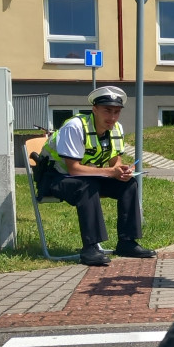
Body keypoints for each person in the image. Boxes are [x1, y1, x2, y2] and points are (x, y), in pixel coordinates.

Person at [39, 86, 155, 267]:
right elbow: (73, 169)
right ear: (94, 109)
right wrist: (110, 172)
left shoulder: (116, 128)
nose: (112, 117)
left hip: (88, 177)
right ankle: (90, 248)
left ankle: (127, 242)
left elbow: (115, 161)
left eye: (117, 112)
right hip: (56, 178)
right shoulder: (75, 127)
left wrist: (121, 171)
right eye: (107, 111)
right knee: (87, 186)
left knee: (129, 184)